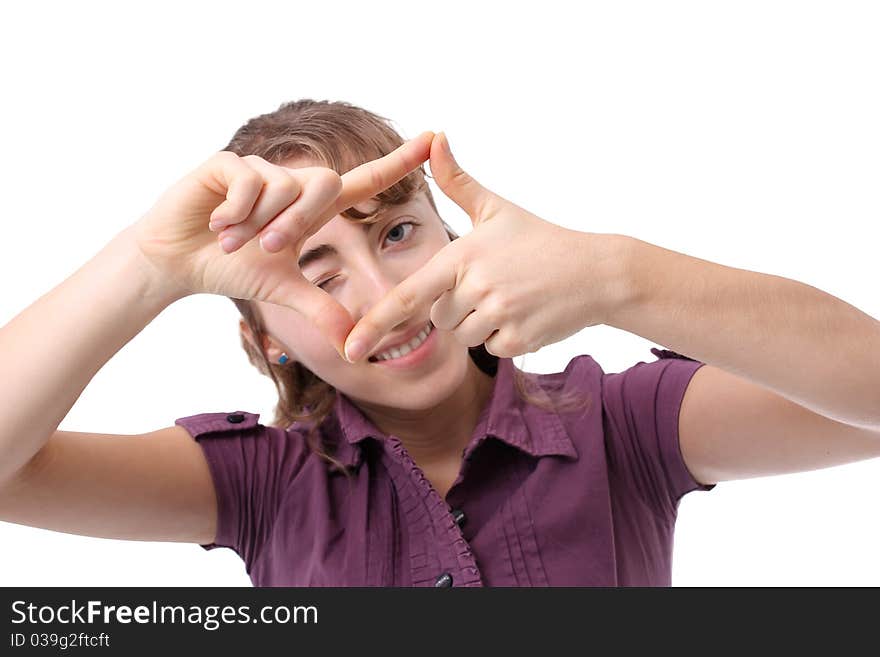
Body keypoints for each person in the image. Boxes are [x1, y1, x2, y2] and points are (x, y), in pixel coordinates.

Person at [2, 100, 879, 587]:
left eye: (395, 235)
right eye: (318, 270)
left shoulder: (620, 425)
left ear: (457, 240)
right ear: (266, 341)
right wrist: (147, 267)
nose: (388, 298)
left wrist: (618, 276)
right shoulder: (259, 482)